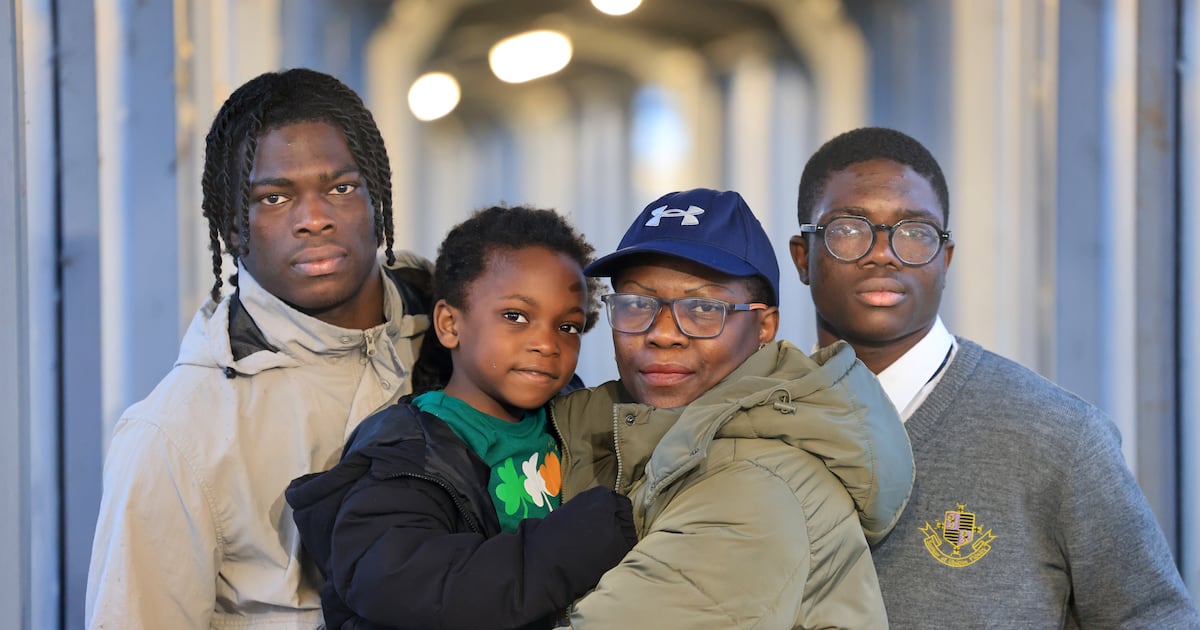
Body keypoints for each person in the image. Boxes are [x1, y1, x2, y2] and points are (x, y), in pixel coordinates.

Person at [789, 126, 1200, 627]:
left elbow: (1154, 617)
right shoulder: (758, 424)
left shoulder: (1059, 439)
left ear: (945, 260)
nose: (883, 252)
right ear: (803, 257)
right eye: (849, 229)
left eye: (915, 232)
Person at [86, 68, 436, 628]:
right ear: (231, 226)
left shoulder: (461, 335)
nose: (314, 219)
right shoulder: (174, 434)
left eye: (341, 188)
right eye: (274, 198)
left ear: (378, 198)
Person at [551, 188, 915, 629]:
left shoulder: (759, 487)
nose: (663, 333)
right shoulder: (610, 430)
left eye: (704, 308)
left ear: (765, 326)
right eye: (637, 304)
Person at [285, 205, 638, 630]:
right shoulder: (406, 454)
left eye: (568, 327)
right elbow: (405, 585)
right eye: (515, 317)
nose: (547, 344)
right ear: (450, 324)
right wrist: (574, 544)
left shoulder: (578, 416)